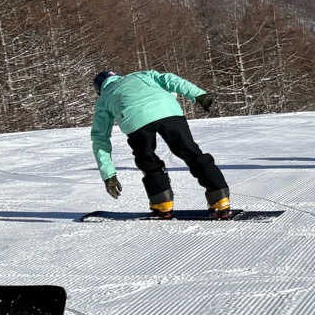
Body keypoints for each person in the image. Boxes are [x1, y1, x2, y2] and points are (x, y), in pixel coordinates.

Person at [91, 69, 232, 218]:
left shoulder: (104, 99)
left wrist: (109, 175)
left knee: (148, 160)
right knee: (191, 153)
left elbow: (100, 137)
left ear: (99, 90)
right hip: (167, 110)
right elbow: (170, 79)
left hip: (134, 120)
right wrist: (198, 94)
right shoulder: (142, 75)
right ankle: (220, 199)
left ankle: (162, 204)